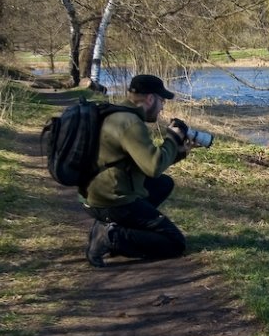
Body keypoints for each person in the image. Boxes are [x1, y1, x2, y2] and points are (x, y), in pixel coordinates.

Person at [82, 74, 195, 267]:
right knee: (175, 243)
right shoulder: (130, 123)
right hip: (111, 200)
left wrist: (180, 151)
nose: (162, 108)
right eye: (161, 101)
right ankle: (111, 236)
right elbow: (153, 167)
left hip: (94, 193)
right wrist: (172, 139)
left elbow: (143, 163)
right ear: (150, 99)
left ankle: (108, 225)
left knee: (163, 184)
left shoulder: (116, 113)